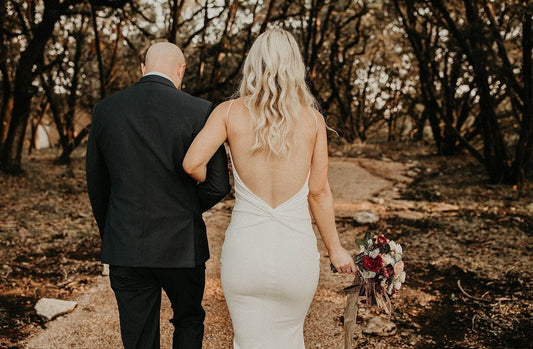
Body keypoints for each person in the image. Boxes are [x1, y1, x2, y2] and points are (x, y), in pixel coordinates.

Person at [183, 29, 356, 348]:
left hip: (246, 252)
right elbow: (318, 192)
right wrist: (335, 249)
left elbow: (192, 163)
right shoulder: (313, 121)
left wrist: (224, 168)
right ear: (295, 67)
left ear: (253, 65)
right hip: (295, 254)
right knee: (290, 338)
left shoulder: (229, 112)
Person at [86, 42, 231, 349]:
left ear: (142, 68)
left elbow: (97, 185)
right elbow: (218, 185)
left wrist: (112, 231)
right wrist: (186, 208)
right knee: (189, 320)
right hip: (182, 245)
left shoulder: (105, 110)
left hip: (126, 244)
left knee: (138, 337)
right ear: (181, 70)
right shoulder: (200, 110)